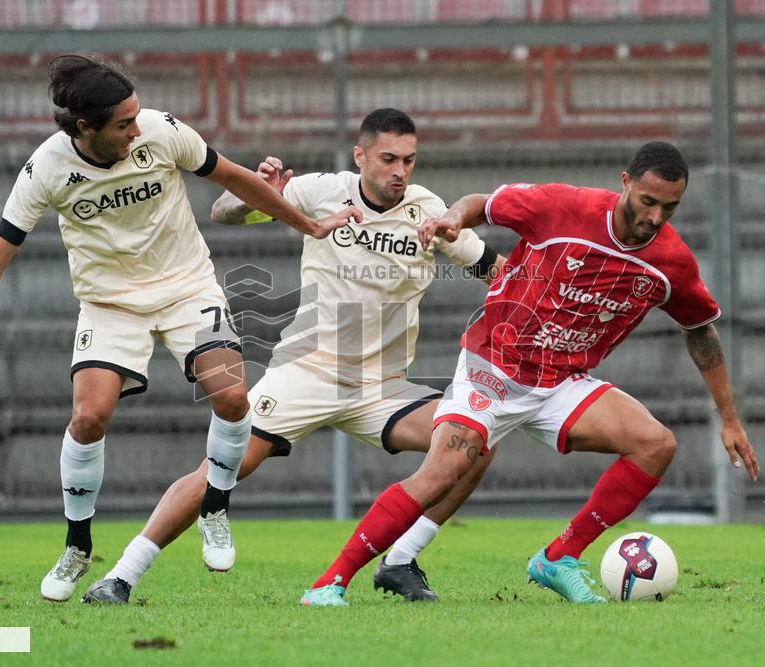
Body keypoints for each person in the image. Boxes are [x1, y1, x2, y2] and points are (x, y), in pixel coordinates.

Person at [0, 53, 358, 603]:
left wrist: (308, 224)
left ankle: (215, 505)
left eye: (137, 116)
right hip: (110, 305)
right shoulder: (46, 169)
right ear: (85, 128)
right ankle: (78, 544)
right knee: (88, 418)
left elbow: (234, 178)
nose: (137, 129)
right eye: (123, 123)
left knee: (233, 398)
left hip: (187, 288)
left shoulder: (162, 132)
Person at [300, 141, 760, 606]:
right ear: (626, 182)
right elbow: (483, 204)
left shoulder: (672, 262)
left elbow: (700, 331)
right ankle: (329, 583)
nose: (656, 217)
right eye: (648, 201)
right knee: (445, 470)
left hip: (561, 382)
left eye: (670, 208)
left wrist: (729, 417)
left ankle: (558, 558)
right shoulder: (563, 206)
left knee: (655, 444)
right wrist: (455, 220)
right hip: (492, 365)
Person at [81, 108, 505, 605]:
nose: (400, 172)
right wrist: (263, 189)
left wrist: (534, 289)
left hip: (385, 388)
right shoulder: (319, 190)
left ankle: (400, 560)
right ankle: (121, 577)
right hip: (307, 371)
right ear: (360, 155)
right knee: (221, 469)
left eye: (409, 161)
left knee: (476, 438)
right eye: (388, 159)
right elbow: (225, 213)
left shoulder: (428, 211)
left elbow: (493, 270)